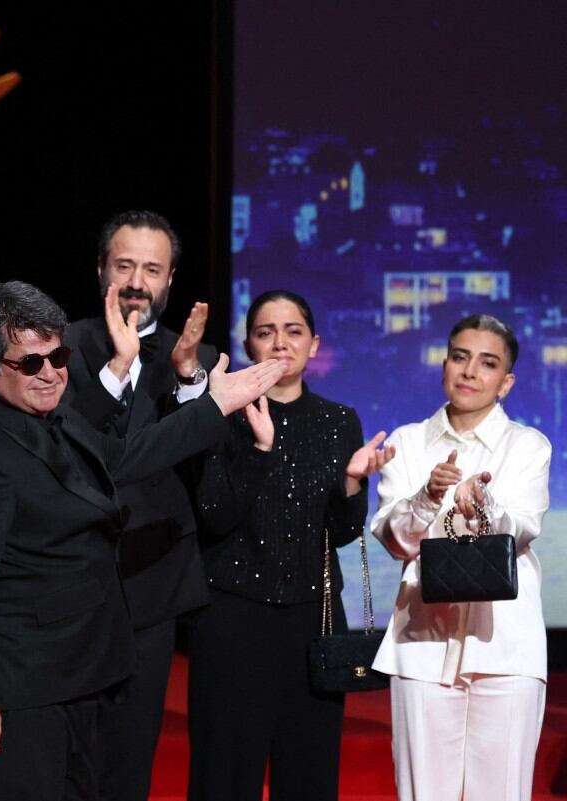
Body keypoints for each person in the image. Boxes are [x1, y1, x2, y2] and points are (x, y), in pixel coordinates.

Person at [0, 280, 286, 801]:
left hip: (88, 671)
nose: (53, 374)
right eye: (31, 364)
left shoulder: (60, 417)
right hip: (29, 688)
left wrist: (215, 406)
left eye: (59, 357)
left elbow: (129, 456)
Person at [186, 289, 394, 801]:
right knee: (224, 775)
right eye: (266, 331)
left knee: (308, 776)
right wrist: (260, 451)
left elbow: (343, 532)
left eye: (293, 330)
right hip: (232, 619)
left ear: (314, 344)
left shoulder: (339, 420)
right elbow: (213, 515)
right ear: (248, 343)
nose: (281, 342)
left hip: (311, 622)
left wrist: (350, 484)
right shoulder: (222, 416)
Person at [62, 210, 218, 801]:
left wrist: (189, 383)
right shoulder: (60, 350)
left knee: (132, 757)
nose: (136, 281)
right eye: (124, 265)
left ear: (170, 280)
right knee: (67, 755)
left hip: (152, 586)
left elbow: (203, 468)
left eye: (151, 270)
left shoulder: (195, 359)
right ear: (101, 269)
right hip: (67, 588)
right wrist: (116, 367)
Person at [371, 314, 550, 801]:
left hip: (507, 646)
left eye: (488, 363)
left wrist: (485, 505)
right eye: (460, 357)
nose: (470, 372)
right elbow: (394, 540)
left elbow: (524, 528)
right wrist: (428, 496)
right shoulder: (407, 443)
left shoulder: (527, 446)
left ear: (506, 382)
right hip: (422, 642)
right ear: (445, 364)